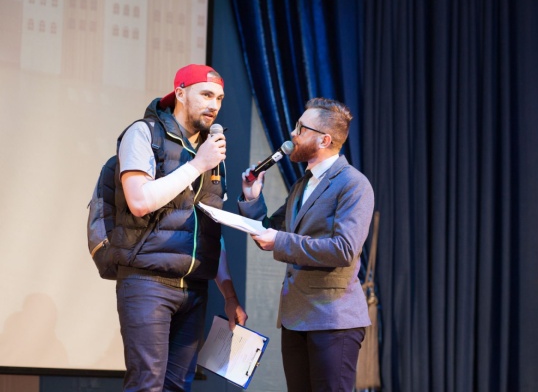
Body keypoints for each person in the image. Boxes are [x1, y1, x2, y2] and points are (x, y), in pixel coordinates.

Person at [113, 64, 247, 392]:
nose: (214, 105)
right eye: (206, 95)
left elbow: (211, 229)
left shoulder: (212, 152)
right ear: (181, 93)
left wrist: (229, 295)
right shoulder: (144, 133)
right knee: (147, 384)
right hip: (148, 281)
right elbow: (139, 201)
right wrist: (198, 164)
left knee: (178, 386)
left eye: (219, 98)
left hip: (195, 288)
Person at [239, 97, 375, 391]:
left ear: (324, 139)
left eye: (301, 128)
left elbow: (343, 249)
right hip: (296, 317)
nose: (293, 133)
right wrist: (252, 198)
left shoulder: (353, 184)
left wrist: (279, 241)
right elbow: (272, 231)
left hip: (333, 320)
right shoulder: (302, 184)